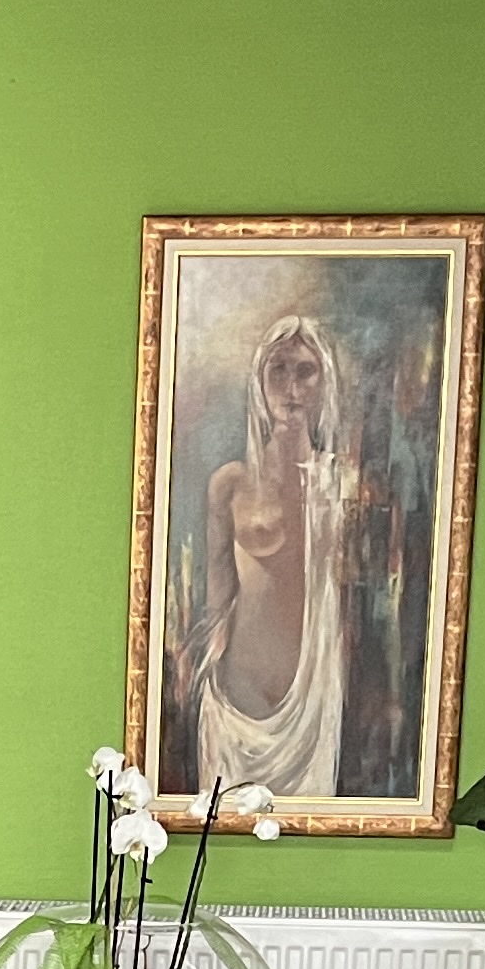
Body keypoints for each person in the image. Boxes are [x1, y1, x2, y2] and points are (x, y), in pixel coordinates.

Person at [186, 314, 368, 802]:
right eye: (278, 370)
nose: (291, 389)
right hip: (235, 702)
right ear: (259, 381)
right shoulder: (230, 484)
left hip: (309, 702)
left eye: (306, 372)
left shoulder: (341, 484)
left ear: (324, 383)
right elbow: (218, 594)